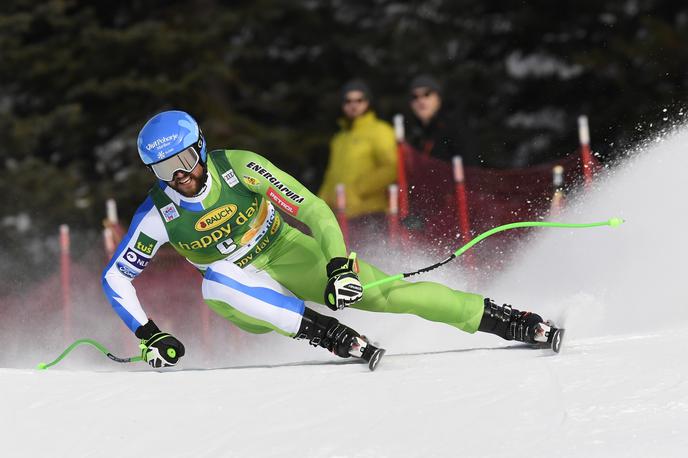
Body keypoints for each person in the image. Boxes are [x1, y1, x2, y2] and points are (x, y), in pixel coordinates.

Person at [102, 110, 559, 370]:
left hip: (285, 253)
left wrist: (339, 266)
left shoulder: (238, 167)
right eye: (164, 170)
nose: (178, 176)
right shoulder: (157, 214)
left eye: (183, 160)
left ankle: (505, 320)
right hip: (241, 292)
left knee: (385, 296)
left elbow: (313, 209)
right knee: (214, 283)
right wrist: (149, 335)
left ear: (200, 148)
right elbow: (115, 280)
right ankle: (330, 335)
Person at [317, 79, 396, 218]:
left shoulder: (381, 130)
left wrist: (356, 190)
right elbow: (331, 176)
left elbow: (391, 167)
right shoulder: (340, 138)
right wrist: (319, 206)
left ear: (368, 102)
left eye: (359, 100)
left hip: (371, 213)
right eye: (348, 101)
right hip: (342, 216)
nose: (353, 105)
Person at [405, 74, 481, 165]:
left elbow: (471, 167)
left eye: (427, 94)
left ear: (438, 98)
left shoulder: (455, 128)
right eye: (415, 96)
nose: (421, 101)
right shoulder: (415, 136)